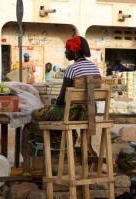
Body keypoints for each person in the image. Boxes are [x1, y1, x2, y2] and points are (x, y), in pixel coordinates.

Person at [21, 35, 101, 172]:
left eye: (67, 50)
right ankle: (63, 144)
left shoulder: (72, 69)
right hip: (88, 114)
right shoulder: (95, 68)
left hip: (71, 113)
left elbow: (62, 98)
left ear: (75, 52)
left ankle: (35, 162)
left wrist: (52, 106)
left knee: (34, 115)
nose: (65, 53)